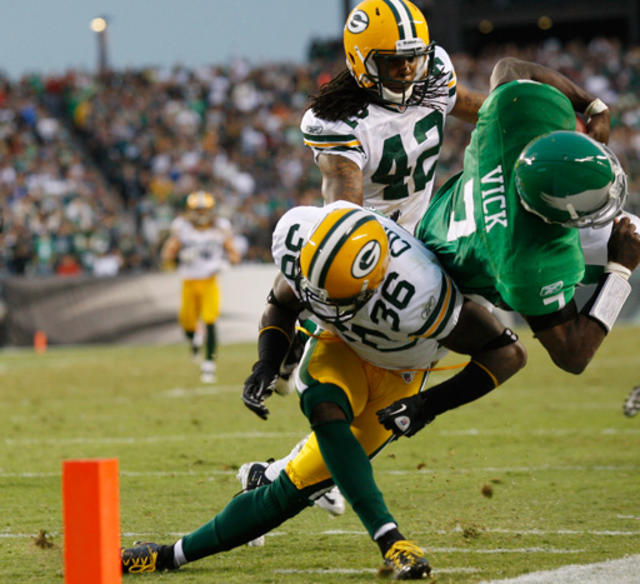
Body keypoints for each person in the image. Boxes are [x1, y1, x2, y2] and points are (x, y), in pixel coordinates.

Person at [121, 201, 526, 579]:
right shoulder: (302, 237)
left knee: (298, 485)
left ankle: (193, 536)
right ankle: (391, 541)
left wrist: (427, 404)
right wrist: (266, 361)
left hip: (403, 371)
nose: (324, 305)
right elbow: (281, 303)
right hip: (339, 347)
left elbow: (508, 354)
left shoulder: (420, 293)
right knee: (322, 404)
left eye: (337, 298)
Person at [246, 0, 488, 522]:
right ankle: (291, 368)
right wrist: (364, 266)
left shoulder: (433, 75)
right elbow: (345, 213)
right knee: (374, 371)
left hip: (425, 232)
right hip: (367, 246)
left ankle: (280, 471)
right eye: (391, 61)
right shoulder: (337, 121)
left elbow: (481, 110)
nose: (406, 70)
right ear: (361, 62)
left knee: (408, 370)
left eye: (412, 58)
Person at [161, 190, 240, 383]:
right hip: (188, 280)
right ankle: (195, 336)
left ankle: (208, 365)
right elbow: (167, 258)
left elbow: (234, 254)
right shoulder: (182, 227)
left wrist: (226, 263)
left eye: (205, 209)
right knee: (187, 323)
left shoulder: (221, 227)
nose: (202, 213)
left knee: (210, 319)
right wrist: (179, 257)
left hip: (209, 280)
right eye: (198, 209)